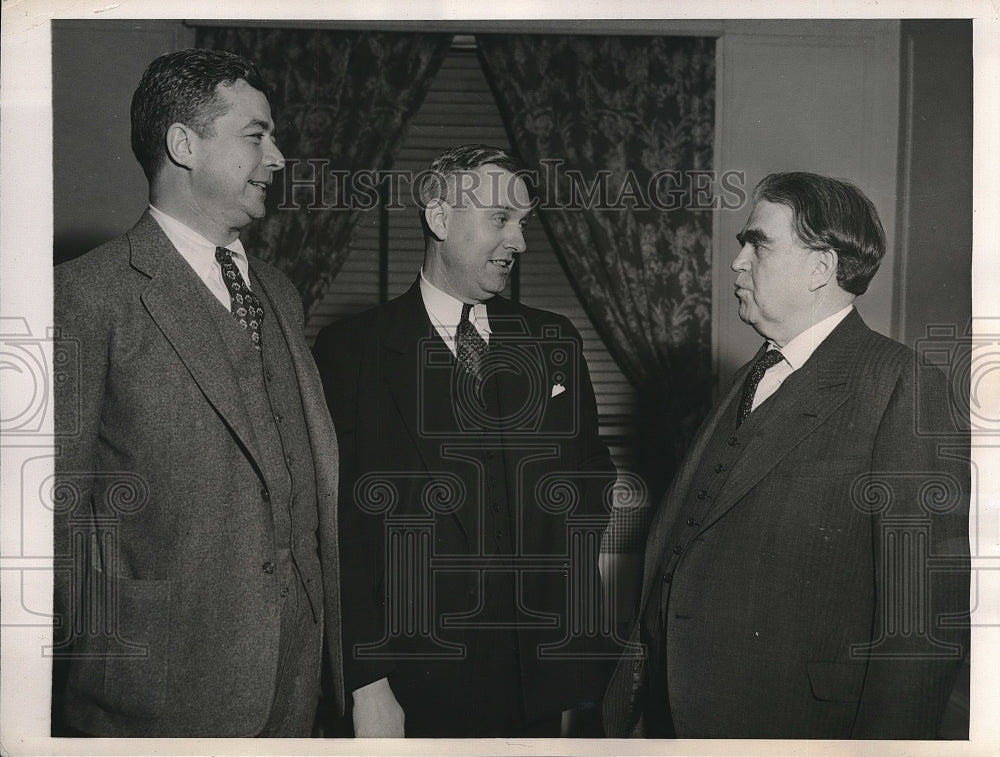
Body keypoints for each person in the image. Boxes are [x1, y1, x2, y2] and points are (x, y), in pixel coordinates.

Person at [603, 172, 970, 739]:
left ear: (821, 268)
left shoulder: (901, 384)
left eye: (759, 244)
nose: (737, 262)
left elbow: (918, 625)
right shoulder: (748, 377)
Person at [52, 48, 344, 737]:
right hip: (153, 698)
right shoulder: (87, 294)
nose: (277, 157)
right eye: (256, 135)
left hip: (295, 685)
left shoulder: (280, 292)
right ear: (183, 144)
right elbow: (51, 513)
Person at [313, 144, 617, 737]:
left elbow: (591, 469)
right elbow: (339, 530)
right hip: (415, 683)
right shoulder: (353, 351)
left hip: (542, 679)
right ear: (439, 219)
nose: (520, 243)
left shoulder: (552, 337)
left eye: (523, 223)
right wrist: (366, 682)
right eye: (500, 220)